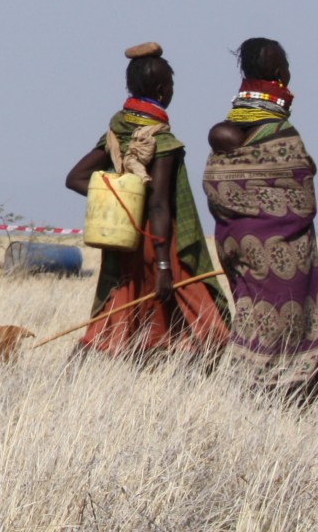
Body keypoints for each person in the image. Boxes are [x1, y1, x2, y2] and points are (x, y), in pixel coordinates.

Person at [202, 38, 318, 401]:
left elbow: (219, 181)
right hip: (278, 246)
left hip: (238, 242)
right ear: (280, 74)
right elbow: (299, 187)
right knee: (287, 316)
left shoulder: (232, 127)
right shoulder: (280, 133)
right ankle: (279, 395)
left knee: (260, 313)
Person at [64, 43, 228, 358]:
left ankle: (109, 364)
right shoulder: (162, 143)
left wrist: (121, 200)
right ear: (164, 92)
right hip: (160, 240)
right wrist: (165, 264)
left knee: (124, 303)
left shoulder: (115, 134)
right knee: (202, 320)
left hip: (125, 237)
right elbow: (159, 205)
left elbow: (75, 178)